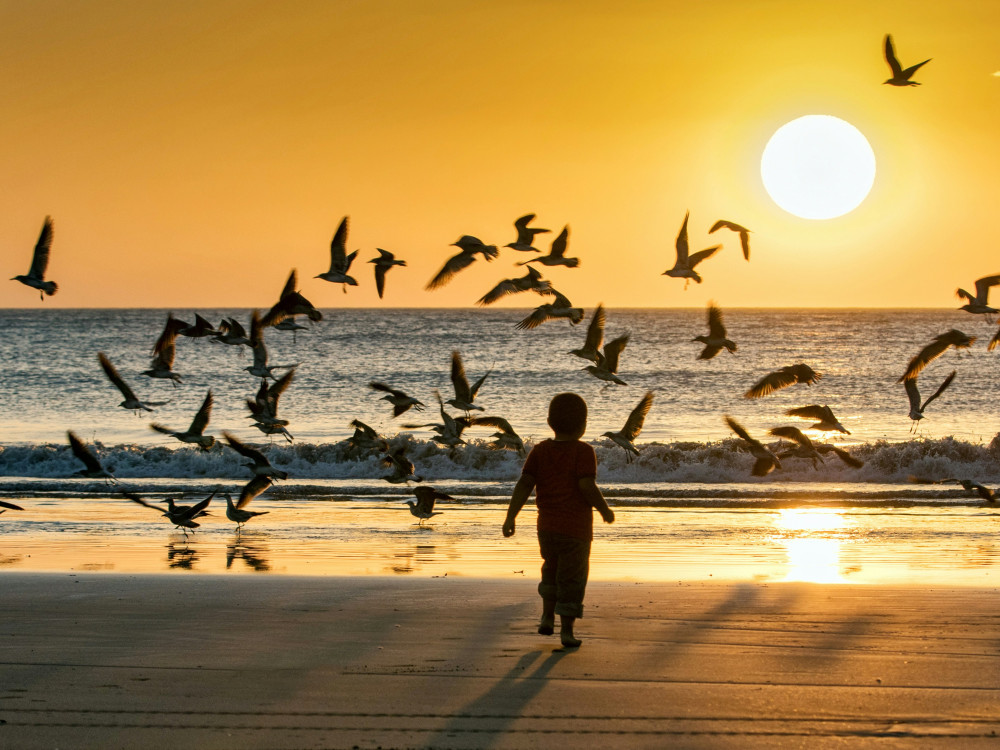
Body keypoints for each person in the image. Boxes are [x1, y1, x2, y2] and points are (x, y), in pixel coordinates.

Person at [502, 392, 614, 648]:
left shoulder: (540, 451)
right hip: (576, 531)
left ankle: (546, 616)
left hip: (547, 528)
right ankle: (566, 632)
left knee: (550, 571)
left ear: (550, 421)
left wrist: (511, 516)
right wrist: (604, 509)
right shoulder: (583, 451)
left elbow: (524, 484)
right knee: (572, 579)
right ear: (583, 424)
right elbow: (587, 485)